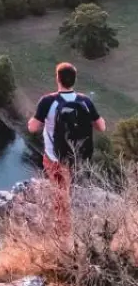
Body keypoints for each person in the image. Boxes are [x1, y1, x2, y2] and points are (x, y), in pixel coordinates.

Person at [27, 62, 106, 231]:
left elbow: (32, 128)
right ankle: (71, 224)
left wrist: (34, 120)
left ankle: (62, 231)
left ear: (58, 78)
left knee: (60, 195)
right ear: (74, 80)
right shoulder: (85, 101)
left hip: (54, 157)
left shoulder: (48, 101)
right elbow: (101, 127)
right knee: (69, 190)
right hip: (77, 157)